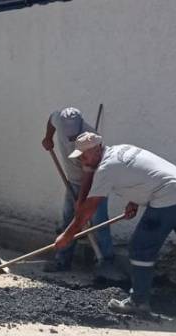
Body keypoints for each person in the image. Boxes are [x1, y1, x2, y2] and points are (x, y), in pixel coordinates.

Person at [54, 132, 176, 314]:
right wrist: (134, 200)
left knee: (140, 247)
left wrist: (68, 235)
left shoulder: (106, 169)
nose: (82, 160)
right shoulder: (121, 150)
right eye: (80, 156)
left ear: (97, 148)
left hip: (168, 194)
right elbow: (143, 174)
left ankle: (138, 302)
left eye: (84, 155)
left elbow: (88, 208)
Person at [41, 107, 116, 273]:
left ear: (81, 126)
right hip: (73, 181)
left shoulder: (90, 138)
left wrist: (81, 202)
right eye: (68, 136)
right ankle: (63, 261)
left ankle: (107, 265)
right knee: (68, 220)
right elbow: (51, 119)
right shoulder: (59, 120)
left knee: (99, 223)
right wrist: (48, 138)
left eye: (74, 137)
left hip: (95, 183)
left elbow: (89, 174)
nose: (70, 139)